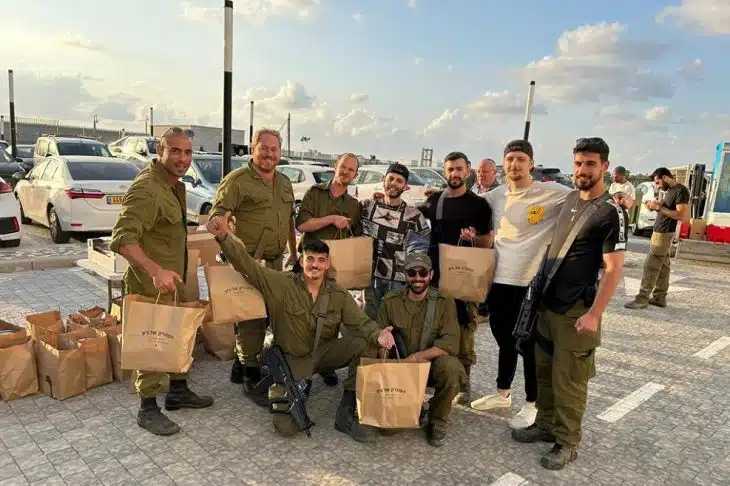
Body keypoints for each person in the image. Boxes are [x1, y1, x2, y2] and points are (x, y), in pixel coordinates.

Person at [207, 212, 394, 442]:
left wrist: (379, 334)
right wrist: (224, 237)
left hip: (324, 354)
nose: (315, 265)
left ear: (327, 264)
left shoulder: (338, 294)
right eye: (310, 259)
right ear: (301, 261)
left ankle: (347, 410)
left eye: (321, 260)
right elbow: (247, 266)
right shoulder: (281, 284)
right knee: (287, 427)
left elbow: (361, 322)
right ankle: (293, 386)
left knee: (367, 344)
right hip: (292, 361)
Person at [512, 137, 628, 470]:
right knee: (545, 373)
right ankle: (545, 424)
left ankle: (567, 442)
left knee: (570, 381)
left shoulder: (611, 212)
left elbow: (613, 269)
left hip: (577, 312)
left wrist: (594, 314)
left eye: (590, 164)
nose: (583, 170)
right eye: (578, 163)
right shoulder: (569, 199)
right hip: (547, 306)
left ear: (605, 166)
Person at [110, 127, 213, 436]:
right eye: (175, 151)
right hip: (150, 284)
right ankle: (147, 408)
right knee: (152, 344)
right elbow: (122, 240)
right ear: (160, 150)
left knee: (176, 336)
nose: (183, 158)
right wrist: (156, 271)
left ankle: (178, 391)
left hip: (173, 281)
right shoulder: (147, 188)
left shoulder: (172, 185)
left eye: (188, 152)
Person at [470, 140, 572, 430]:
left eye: (520, 159)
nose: (515, 164)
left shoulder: (552, 192)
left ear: (531, 164)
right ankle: (503, 393)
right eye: (510, 159)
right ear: (503, 164)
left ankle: (532, 403)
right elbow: (466, 204)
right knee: (503, 338)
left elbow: (585, 198)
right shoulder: (496, 196)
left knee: (527, 344)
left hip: (531, 283)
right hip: (500, 279)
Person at [208, 128, 298, 406]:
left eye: (274, 148)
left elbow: (289, 221)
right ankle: (251, 376)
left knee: (268, 314)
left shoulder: (284, 182)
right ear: (252, 148)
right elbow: (219, 211)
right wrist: (218, 225)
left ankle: (240, 365)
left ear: (280, 152)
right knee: (251, 317)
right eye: (264, 147)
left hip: (275, 261)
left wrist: (294, 254)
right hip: (248, 261)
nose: (269, 153)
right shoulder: (237, 180)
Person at [419, 151, 493, 404]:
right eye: (450, 169)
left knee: (464, 329)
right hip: (435, 275)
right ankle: (435, 378)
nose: (455, 174)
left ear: (468, 171)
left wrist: (473, 238)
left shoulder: (478, 205)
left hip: (464, 275)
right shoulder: (435, 200)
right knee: (432, 327)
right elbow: (416, 220)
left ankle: (463, 381)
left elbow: (487, 242)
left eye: (459, 169)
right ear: (445, 171)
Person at [377, 252, 466, 447]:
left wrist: (415, 358)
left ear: (431, 275)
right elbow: (379, 337)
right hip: (401, 370)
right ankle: (415, 405)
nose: (417, 278)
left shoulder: (444, 302)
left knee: (451, 368)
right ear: (405, 274)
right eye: (412, 273)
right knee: (387, 430)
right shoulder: (390, 301)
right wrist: (384, 344)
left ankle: (438, 419)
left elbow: (450, 343)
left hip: (431, 367)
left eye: (423, 273)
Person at [361, 163, 430, 319]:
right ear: (384, 180)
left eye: (399, 181)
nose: (393, 183)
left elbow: (421, 250)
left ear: (406, 186)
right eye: (390, 178)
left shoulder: (414, 216)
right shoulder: (367, 207)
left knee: (396, 323)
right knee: (370, 322)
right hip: (370, 277)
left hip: (398, 281)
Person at [624, 167, 689, 309]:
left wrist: (659, 208)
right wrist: (655, 206)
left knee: (651, 265)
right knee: (663, 266)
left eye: (658, 182)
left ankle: (642, 298)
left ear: (665, 177)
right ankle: (660, 297)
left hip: (664, 233)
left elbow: (680, 215)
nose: (658, 186)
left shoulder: (681, 190)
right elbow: (668, 210)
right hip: (659, 231)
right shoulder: (670, 191)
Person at [296, 152, 362, 245]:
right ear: (335, 167)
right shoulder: (315, 192)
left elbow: (357, 237)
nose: (345, 172)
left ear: (355, 175)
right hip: (312, 253)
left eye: (350, 170)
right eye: (343, 167)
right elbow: (301, 226)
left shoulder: (353, 204)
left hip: (338, 253)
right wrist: (332, 219)